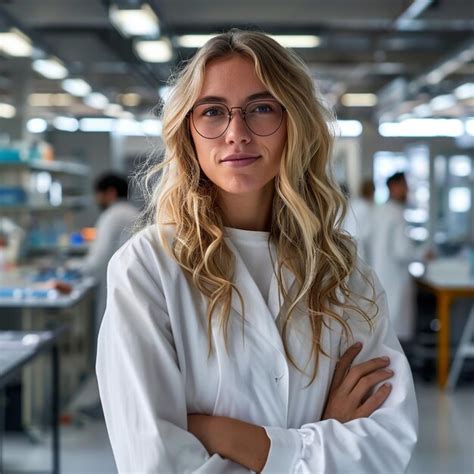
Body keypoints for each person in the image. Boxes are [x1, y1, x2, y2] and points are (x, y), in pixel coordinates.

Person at [96, 30, 417, 473]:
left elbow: (387, 440)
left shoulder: (344, 274)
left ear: (295, 122)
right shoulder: (148, 268)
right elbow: (155, 461)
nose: (237, 134)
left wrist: (234, 439)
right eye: (212, 112)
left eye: (261, 109)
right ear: (189, 131)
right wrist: (321, 437)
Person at [78, 172, 139, 338]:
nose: (96, 200)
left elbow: (97, 261)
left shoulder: (112, 216)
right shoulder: (132, 212)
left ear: (110, 193)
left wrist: (75, 272)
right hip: (131, 288)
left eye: (98, 195)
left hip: (114, 288)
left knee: (111, 336)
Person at [371, 172, 421, 343]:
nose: (407, 190)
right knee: (395, 336)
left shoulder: (378, 211)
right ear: (394, 186)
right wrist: (421, 255)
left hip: (380, 277)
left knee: (384, 334)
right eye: (404, 186)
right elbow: (402, 252)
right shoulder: (396, 214)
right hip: (394, 280)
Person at [344, 179, 375, 263]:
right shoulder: (366, 208)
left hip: (348, 244)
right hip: (359, 248)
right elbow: (367, 233)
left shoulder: (354, 204)